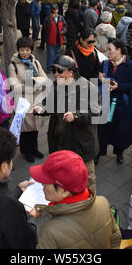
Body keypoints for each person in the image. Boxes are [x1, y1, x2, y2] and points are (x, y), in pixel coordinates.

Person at [28, 150, 122, 249]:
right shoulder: (103, 202)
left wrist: (31, 221)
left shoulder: (50, 232)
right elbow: (116, 237)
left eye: (46, 182)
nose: (42, 184)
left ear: (65, 192)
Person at [32, 55, 100, 192]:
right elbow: (48, 105)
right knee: (63, 179)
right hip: (60, 143)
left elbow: (96, 111)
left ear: (71, 71)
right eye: (54, 71)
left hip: (81, 145)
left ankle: (90, 206)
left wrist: (76, 116)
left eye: (60, 71)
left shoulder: (88, 87)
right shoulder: (56, 86)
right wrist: (41, 109)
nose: (56, 74)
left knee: (87, 180)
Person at [98, 39, 132, 165]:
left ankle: (119, 153)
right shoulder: (105, 63)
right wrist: (100, 79)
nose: (107, 51)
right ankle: (99, 152)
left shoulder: (130, 65)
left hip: (121, 103)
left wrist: (119, 86)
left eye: (110, 49)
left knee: (120, 129)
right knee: (102, 129)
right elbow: (98, 80)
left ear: (119, 50)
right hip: (105, 101)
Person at [8, 37, 48, 163]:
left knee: (35, 127)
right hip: (23, 101)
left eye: (27, 50)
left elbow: (44, 78)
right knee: (25, 128)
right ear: (18, 50)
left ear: (31, 50)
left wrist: (34, 83)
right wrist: (32, 86)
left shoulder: (35, 63)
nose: (24, 53)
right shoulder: (13, 65)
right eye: (22, 50)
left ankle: (35, 149)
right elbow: (15, 86)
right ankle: (27, 151)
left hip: (36, 100)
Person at [44, 4, 67, 69]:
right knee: (51, 56)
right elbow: (45, 27)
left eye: (55, 9)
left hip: (59, 39)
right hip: (51, 40)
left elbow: (65, 26)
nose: (54, 11)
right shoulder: (48, 18)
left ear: (58, 10)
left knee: (57, 55)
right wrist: (50, 19)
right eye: (53, 9)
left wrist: (63, 31)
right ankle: (49, 68)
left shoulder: (61, 18)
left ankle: (56, 68)